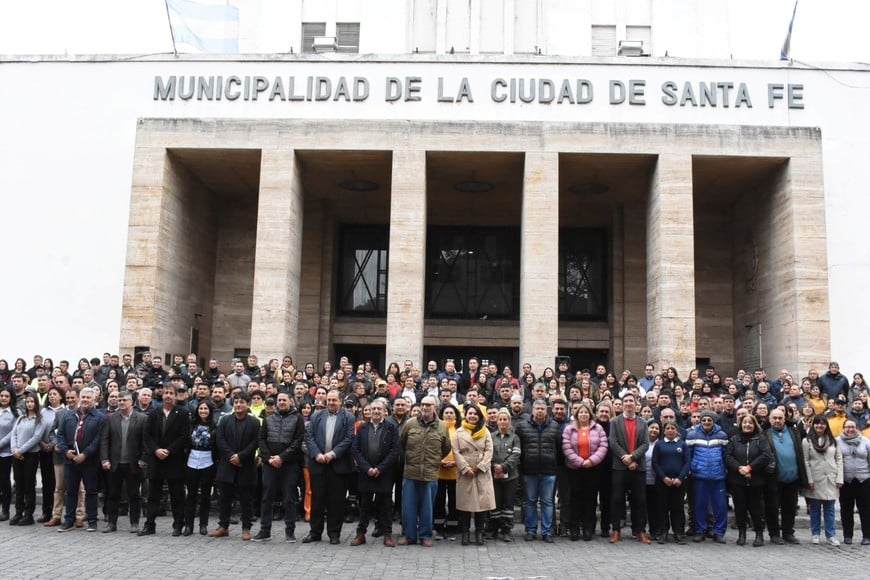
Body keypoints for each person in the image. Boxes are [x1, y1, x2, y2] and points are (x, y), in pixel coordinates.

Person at [398, 395, 451, 547]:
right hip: (411, 473)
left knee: (427, 508)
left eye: (429, 405)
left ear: (435, 407)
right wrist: (407, 459)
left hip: (430, 474)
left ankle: (425, 535)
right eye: (423, 404)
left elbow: (446, 447)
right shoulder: (410, 423)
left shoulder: (442, 426)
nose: (425, 407)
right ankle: (409, 535)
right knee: (408, 507)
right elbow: (401, 443)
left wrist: (435, 460)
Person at [304, 389, 355, 544]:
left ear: (340, 401)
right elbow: (309, 437)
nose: (331, 403)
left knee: (336, 501)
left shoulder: (349, 417)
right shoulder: (316, 416)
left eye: (334, 400)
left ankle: (334, 533)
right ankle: (315, 532)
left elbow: (348, 439)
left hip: (338, 465)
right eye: (329, 400)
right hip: (318, 463)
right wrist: (317, 454)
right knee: (317, 500)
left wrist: (333, 454)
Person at [253, 391, 305, 543]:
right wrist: (269, 458)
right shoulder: (269, 418)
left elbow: (298, 441)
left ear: (291, 401)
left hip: (289, 464)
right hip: (270, 464)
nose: (282, 402)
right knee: (266, 497)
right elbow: (261, 439)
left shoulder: (298, 418)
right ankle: (265, 531)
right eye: (279, 400)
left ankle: (290, 532)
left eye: (284, 400)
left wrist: (282, 457)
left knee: (289, 498)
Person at [139, 383, 190, 536]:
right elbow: (147, 436)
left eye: (171, 393)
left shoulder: (182, 413)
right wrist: (156, 450)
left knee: (177, 495)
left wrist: (169, 450)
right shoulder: (154, 413)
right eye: (166, 393)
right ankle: (149, 525)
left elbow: (184, 436)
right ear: (162, 395)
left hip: (174, 459)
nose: (168, 395)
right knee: (153, 494)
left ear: (175, 396)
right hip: (156, 459)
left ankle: (178, 525)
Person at [210, 391, 261, 540]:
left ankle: (246, 528)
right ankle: (223, 526)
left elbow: (255, 442)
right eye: (236, 402)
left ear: (247, 404)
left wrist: (241, 456)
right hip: (227, 465)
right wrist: (231, 456)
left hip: (246, 465)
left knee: (246, 499)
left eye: (242, 402)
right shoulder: (225, 420)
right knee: (225, 498)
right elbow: (220, 440)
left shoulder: (255, 422)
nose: (239, 405)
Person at [56, 387, 106, 532]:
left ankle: (92, 521)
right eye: (83, 397)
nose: (85, 400)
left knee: (91, 491)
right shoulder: (68, 415)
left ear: (94, 400)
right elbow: (60, 434)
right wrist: (66, 451)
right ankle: (69, 520)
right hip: (70, 460)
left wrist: (85, 454)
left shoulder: (100, 417)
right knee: (70, 491)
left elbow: (98, 439)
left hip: (89, 461)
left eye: (88, 397)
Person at [514, 399, 561, 543]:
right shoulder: (522, 427)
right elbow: (519, 449)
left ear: (546, 410)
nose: (540, 411)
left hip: (549, 471)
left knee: (547, 502)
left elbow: (558, 448)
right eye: (537, 409)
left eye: (542, 409)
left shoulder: (554, 426)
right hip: (529, 471)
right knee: (530, 502)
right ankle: (531, 530)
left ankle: (547, 532)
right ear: (532, 410)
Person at [99, 390, 147, 533]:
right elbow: (104, 440)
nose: (121, 402)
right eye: (119, 400)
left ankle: (134, 523)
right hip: (114, 463)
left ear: (131, 402)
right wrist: (105, 459)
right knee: (113, 494)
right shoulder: (111, 418)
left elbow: (146, 442)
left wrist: (143, 459)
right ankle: (112, 523)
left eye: (124, 400)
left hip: (134, 463)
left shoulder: (142, 419)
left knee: (134, 495)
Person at [607, 393, 651, 544]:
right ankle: (616, 530)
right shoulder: (614, 421)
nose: (628, 403)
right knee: (617, 499)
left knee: (640, 500)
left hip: (638, 466)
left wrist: (633, 457)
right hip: (620, 467)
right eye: (625, 401)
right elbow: (612, 442)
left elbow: (645, 443)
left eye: (631, 401)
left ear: (636, 404)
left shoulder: (643, 423)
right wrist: (625, 458)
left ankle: (639, 531)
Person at [561, 402, 608, 541]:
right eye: (581, 412)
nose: (583, 414)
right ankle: (574, 529)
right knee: (575, 499)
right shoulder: (569, 429)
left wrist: (591, 461)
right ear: (576, 414)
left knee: (590, 500)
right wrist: (580, 462)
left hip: (593, 469)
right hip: (575, 469)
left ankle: (588, 529)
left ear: (590, 414)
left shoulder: (598, 428)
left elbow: (603, 445)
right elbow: (566, 447)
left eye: (586, 412)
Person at [725, 414, 772, 547]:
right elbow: (728, 456)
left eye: (750, 423)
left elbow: (766, 455)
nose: (747, 425)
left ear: (754, 425)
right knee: (740, 508)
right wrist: (739, 468)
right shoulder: (734, 439)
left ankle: (759, 534)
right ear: (741, 424)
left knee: (756, 508)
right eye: (745, 422)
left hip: (756, 479)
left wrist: (750, 468)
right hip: (737, 480)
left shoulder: (761, 439)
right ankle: (742, 534)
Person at [451, 404, 495, 546]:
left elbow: (489, 451)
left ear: (480, 416)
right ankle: (465, 533)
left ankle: (479, 533)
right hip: (465, 473)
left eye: (475, 414)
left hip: (481, 472)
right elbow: (456, 451)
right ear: (466, 415)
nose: (472, 416)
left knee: (481, 506)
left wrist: (480, 467)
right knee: (465, 505)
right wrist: (465, 467)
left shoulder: (485, 431)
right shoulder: (459, 432)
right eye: (470, 413)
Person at [763, 408, 808, 545]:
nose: (777, 421)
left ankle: (788, 532)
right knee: (772, 507)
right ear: (769, 419)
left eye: (780, 418)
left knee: (790, 507)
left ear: (784, 419)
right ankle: (774, 533)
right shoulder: (764, 434)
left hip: (792, 478)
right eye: (774, 418)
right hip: (773, 479)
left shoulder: (794, 432)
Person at [686, 409, 729, 543]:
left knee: (720, 506)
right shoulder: (692, 435)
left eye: (709, 420)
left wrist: (724, 469)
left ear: (713, 421)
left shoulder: (722, 435)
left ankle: (719, 532)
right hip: (699, 475)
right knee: (699, 505)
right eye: (704, 420)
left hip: (718, 476)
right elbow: (689, 455)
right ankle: (700, 531)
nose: (706, 422)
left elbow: (725, 455)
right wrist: (692, 468)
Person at [803, 415, 844, 545]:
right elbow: (806, 460)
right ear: (813, 425)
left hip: (830, 478)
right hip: (815, 478)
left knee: (830, 508)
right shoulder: (807, 441)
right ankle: (815, 533)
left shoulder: (833, 441)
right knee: (815, 508)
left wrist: (839, 477)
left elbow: (839, 459)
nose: (820, 426)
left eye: (822, 424)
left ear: (826, 425)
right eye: (817, 424)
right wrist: (809, 479)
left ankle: (830, 535)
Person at [9, 391, 44, 525]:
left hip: (30, 455)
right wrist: (14, 449)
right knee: (19, 485)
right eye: (27, 401)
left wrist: (21, 450)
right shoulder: (20, 418)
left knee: (29, 485)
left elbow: (35, 438)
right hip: (17, 455)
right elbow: (14, 434)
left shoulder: (39, 420)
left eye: (32, 402)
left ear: (36, 403)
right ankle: (19, 512)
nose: (29, 404)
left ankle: (28, 514)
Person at [652, 420, 690, 544]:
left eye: (672, 428)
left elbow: (687, 462)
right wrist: (663, 477)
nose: (670, 430)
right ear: (664, 430)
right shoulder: (659, 444)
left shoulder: (682, 444)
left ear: (676, 430)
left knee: (677, 508)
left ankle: (679, 533)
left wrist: (680, 477)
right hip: (663, 481)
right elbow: (655, 463)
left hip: (679, 481)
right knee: (662, 507)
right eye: (667, 428)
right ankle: (664, 533)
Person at [183, 400, 217, 536]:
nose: (203, 411)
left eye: (206, 409)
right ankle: (188, 525)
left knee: (205, 495)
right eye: (201, 408)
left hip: (208, 461)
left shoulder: (214, 426)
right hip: (192, 460)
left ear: (210, 411)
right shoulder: (191, 424)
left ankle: (203, 524)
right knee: (190, 495)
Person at [488, 408, 521, 542]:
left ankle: (506, 530)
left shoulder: (515, 437)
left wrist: (504, 466)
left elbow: (516, 455)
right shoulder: (491, 436)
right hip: (494, 476)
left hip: (511, 476)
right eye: (500, 419)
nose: (502, 422)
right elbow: (488, 453)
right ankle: (493, 529)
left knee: (508, 504)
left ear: (509, 421)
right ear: (497, 421)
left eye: (505, 419)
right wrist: (495, 466)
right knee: (495, 503)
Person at [836, 419, 870, 545]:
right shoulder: (837, 441)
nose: (850, 429)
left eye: (853, 427)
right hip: (845, 481)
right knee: (846, 509)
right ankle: (847, 535)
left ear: (856, 428)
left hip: (864, 480)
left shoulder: (865, 441)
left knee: (865, 509)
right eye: (847, 427)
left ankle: (867, 535)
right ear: (843, 428)